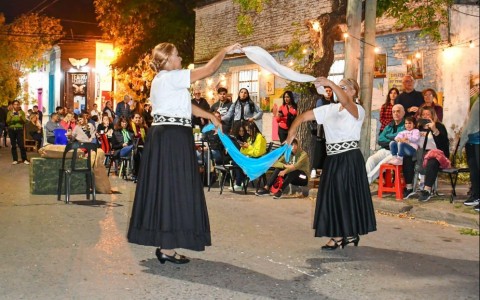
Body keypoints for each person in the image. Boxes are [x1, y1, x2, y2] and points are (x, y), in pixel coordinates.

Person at [127, 42, 241, 264]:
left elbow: (184, 106)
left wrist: (210, 116)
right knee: (175, 189)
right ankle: (166, 247)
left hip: (168, 135)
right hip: (172, 137)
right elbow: (208, 70)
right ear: (168, 60)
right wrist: (224, 51)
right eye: (177, 55)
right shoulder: (170, 76)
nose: (180, 59)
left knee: (169, 190)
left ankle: (166, 247)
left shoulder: (164, 81)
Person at [286, 77, 376, 250]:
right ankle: (345, 234)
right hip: (333, 158)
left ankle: (343, 235)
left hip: (349, 157)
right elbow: (304, 116)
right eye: (339, 87)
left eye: (344, 87)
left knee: (346, 196)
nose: (338, 90)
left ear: (353, 91)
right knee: (332, 197)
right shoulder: (330, 109)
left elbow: (345, 101)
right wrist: (292, 130)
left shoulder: (357, 109)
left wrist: (331, 84)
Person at [402, 106, 449, 201]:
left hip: (435, 153)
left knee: (432, 160)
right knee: (407, 157)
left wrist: (434, 130)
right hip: (420, 152)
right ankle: (409, 187)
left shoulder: (439, 126)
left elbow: (444, 144)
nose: (425, 116)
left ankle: (427, 190)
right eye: (423, 114)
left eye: (428, 114)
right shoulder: (418, 127)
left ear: (433, 115)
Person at [365, 104, 405, 183]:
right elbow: (380, 140)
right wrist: (392, 140)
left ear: (403, 113)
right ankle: (366, 182)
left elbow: (398, 140)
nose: (396, 113)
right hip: (385, 150)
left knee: (381, 164)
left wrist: (388, 137)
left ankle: (366, 182)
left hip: (397, 153)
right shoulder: (389, 126)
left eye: (398, 111)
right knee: (371, 160)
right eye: (393, 112)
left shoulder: (406, 125)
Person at [232, 121, 267, 190]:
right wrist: (243, 147)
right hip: (251, 158)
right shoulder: (251, 138)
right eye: (247, 130)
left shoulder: (259, 137)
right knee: (236, 161)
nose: (247, 132)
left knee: (237, 162)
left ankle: (239, 183)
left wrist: (248, 147)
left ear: (253, 129)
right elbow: (243, 152)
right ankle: (241, 181)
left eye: (248, 130)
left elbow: (257, 153)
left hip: (258, 159)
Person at [459, 100, 479, 211]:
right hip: (471, 140)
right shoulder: (476, 101)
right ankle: (476, 195)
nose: (477, 87)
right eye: (476, 85)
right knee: (474, 171)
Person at [6, 100, 29, 164]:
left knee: (21, 144)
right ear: (13, 105)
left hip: (19, 129)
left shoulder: (21, 112)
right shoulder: (9, 112)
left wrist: (20, 117)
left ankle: (24, 159)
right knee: (13, 145)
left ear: (19, 105)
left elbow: (24, 121)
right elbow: (7, 122)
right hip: (11, 129)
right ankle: (15, 160)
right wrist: (10, 116)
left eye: (17, 104)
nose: (16, 106)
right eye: (15, 104)